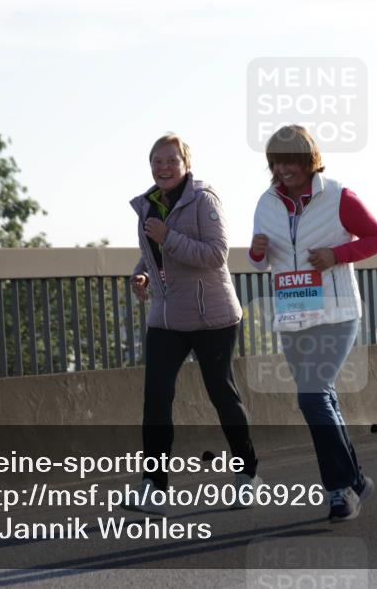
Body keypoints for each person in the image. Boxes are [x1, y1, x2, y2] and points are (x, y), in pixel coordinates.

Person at [248, 124, 377, 522]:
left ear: (309, 159)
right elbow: (261, 260)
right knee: (321, 396)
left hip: (336, 312)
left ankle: (339, 491)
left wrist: (337, 254)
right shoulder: (266, 202)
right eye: (276, 161)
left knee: (311, 396)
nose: (283, 168)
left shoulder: (338, 195)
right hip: (292, 315)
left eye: (291, 159)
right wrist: (256, 252)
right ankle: (355, 480)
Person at [128, 133, 260, 515]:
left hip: (211, 317)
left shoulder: (203, 199)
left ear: (186, 163)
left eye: (171, 160)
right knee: (155, 399)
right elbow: (151, 254)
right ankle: (153, 486)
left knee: (221, 393)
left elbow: (216, 255)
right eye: (157, 161)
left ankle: (247, 475)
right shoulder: (149, 203)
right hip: (167, 316)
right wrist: (143, 275)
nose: (163, 167)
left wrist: (169, 236)